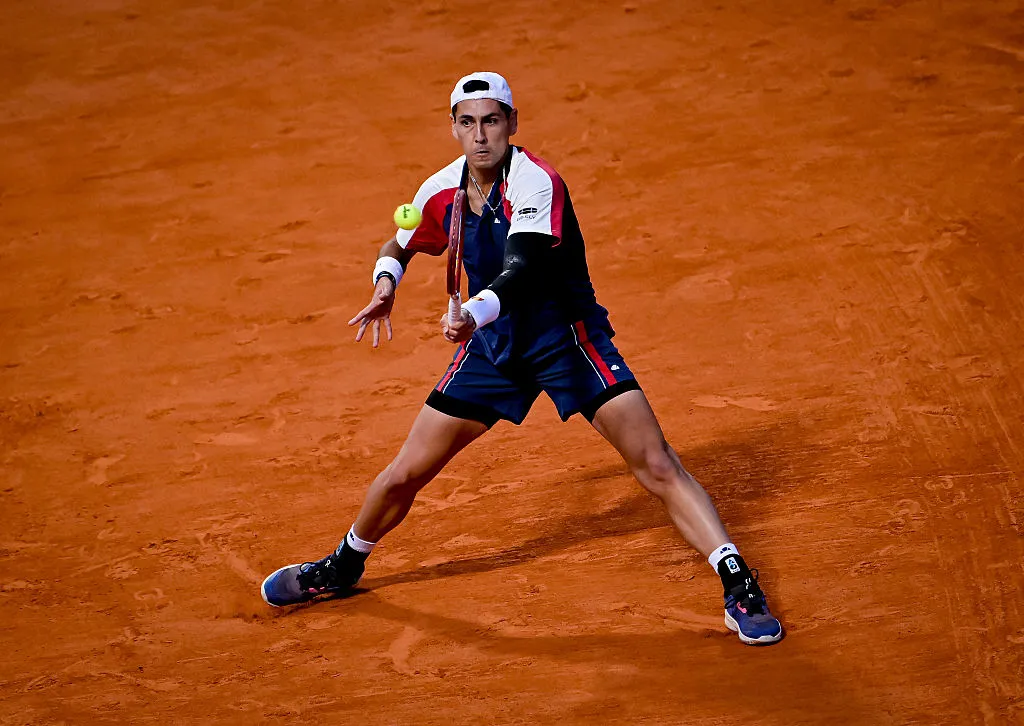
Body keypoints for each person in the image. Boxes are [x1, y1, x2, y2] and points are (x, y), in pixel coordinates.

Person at [260, 72, 783, 645]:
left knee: (657, 464)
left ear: (511, 124)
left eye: (491, 121)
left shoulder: (537, 182)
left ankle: (738, 582)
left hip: (566, 340)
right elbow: (398, 243)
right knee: (405, 472)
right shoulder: (441, 190)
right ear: (454, 128)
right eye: (467, 123)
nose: (480, 135)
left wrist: (470, 316)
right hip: (496, 352)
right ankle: (343, 566)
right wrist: (387, 284)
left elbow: (524, 268)